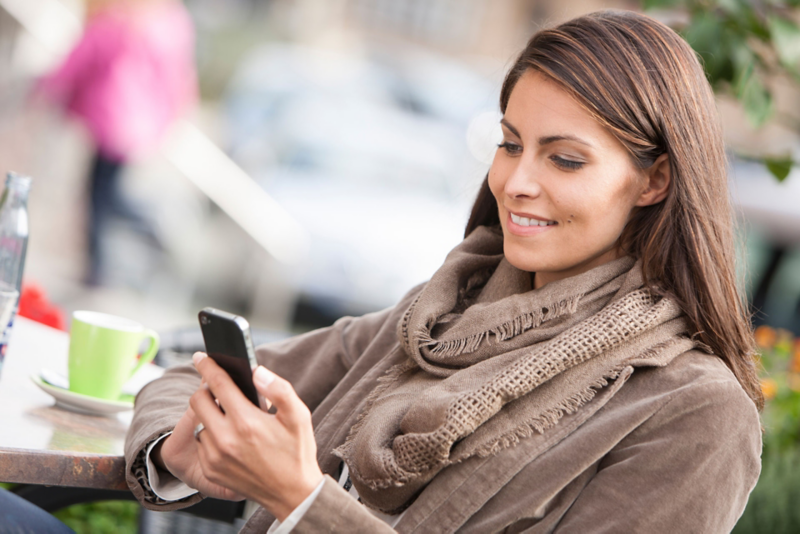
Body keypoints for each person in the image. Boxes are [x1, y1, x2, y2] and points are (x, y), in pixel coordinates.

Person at [123, 10, 762, 533]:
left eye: (565, 160)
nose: (516, 182)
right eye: (509, 144)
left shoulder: (696, 415)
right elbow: (184, 378)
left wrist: (305, 503)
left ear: (654, 181)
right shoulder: (437, 315)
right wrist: (176, 453)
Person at [36, 0, 197, 285]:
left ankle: (105, 262)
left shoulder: (117, 19)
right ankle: (99, 265)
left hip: (111, 120)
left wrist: (47, 85)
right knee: (104, 193)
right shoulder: (170, 24)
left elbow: (80, 58)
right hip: (136, 125)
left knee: (102, 196)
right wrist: (170, 121)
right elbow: (178, 79)